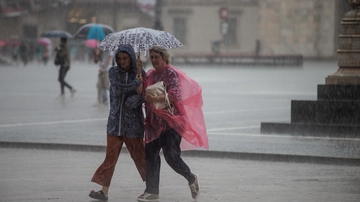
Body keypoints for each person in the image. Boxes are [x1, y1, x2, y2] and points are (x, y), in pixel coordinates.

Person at [137, 46, 209, 202]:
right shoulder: (149, 75)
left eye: (157, 56)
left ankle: (190, 178)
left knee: (171, 157)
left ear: (164, 57)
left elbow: (175, 94)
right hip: (153, 123)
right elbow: (143, 96)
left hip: (170, 123)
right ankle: (152, 191)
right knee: (151, 157)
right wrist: (139, 75)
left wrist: (154, 97)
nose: (154, 60)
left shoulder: (171, 73)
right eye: (152, 57)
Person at [89, 44, 146, 201]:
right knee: (110, 157)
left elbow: (143, 95)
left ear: (131, 58)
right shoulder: (113, 72)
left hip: (133, 124)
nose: (122, 62)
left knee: (140, 156)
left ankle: (151, 187)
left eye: (125, 58)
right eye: (120, 58)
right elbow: (119, 89)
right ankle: (104, 191)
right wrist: (135, 83)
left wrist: (139, 75)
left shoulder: (141, 73)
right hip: (115, 123)